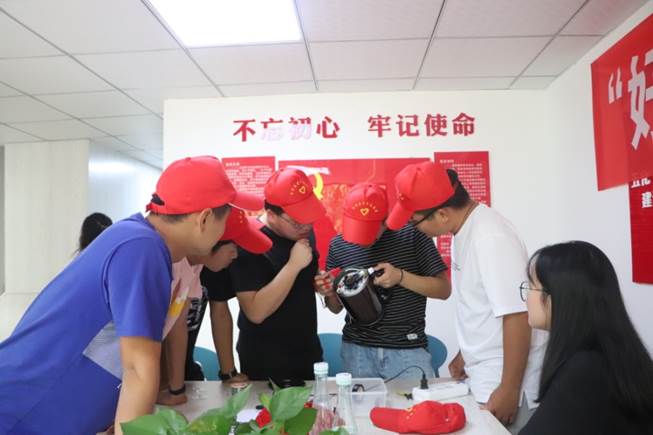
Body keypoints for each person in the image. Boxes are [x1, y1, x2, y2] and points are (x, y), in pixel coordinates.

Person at [0, 156, 261, 435]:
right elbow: (138, 368)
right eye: (225, 220)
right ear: (205, 218)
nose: (224, 233)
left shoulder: (137, 240)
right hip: (21, 414)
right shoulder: (142, 249)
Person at [387, 161, 546, 434]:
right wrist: (465, 354)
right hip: (486, 373)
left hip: (504, 380)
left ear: (442, 214)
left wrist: (509, 389)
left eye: (415, 223)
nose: (415, 230)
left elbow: (518, 315)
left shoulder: (490, 237)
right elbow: (483, 304)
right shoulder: (464, 229)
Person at [315, 182, 450, 380]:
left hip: (407, 350)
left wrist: (400, 277)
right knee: (359, 402)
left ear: (386, 220)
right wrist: (328, 292)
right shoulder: (339, 245)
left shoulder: (413, 235)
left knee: (415, 400)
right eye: (357, 229)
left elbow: (444, 289)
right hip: (357, 351)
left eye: (369, 230)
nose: (362, 239)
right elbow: (335, 308)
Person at [519, 241, 653, 435]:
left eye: (531, 287)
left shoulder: (585, 368)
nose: (526, 297)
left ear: (559, 297)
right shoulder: (610, 352)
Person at [157, 208, 272, 406]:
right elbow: (152, 336)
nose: (235, 255)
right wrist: (164, 386)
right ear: (212, 239)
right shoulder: (169, 263)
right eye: (233, 247)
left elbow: (179, 325)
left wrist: (176, 389)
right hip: (142, 370)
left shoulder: (197, 266)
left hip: (174, 372)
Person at [229, 168, 326, 383]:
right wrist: (293, 266)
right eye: (297, 222)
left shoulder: (304, 232)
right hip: (265, 359)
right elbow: (255, 312)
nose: (306, 227)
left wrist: (320, 282)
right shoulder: (249, 240)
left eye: (310, 219)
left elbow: (307, 277)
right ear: (272, 214)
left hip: (307, 351)